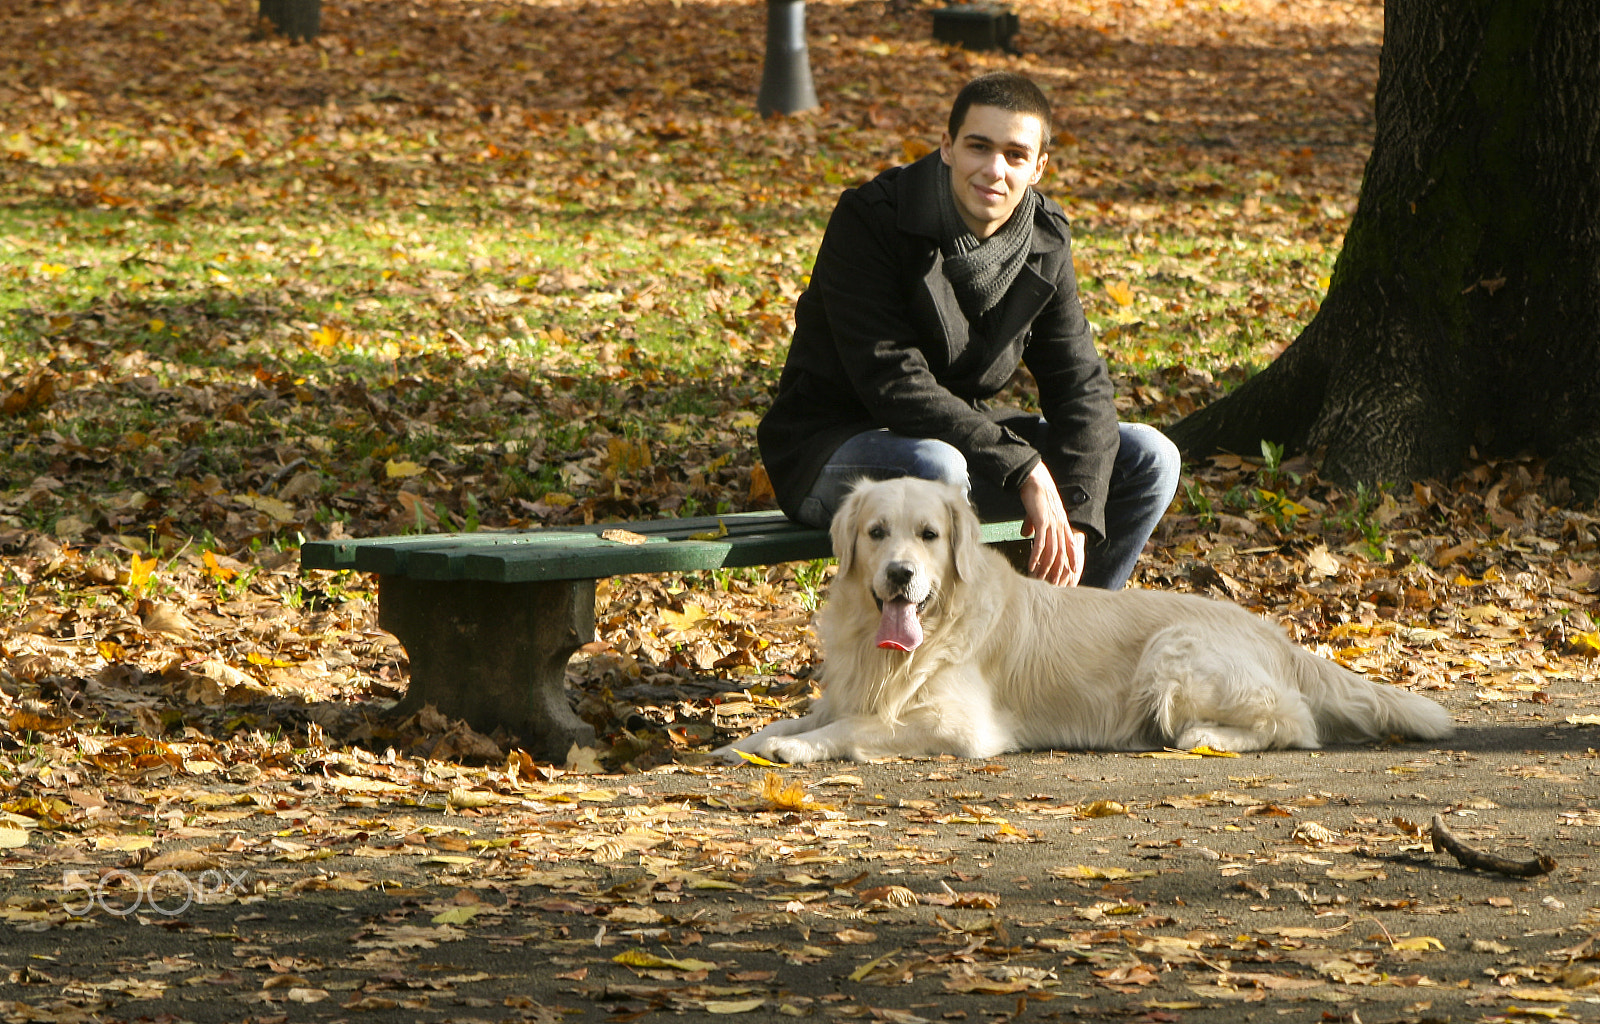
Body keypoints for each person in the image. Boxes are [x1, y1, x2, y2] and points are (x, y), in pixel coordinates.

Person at [757, 71, 1180, 590]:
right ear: (947, 146)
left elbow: (1081, 385)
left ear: (1039, 167)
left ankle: (1062, 650)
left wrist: (1078, 511)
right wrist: (1022, 467)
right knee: (938, 467)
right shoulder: (871, 220)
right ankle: (932, 662)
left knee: (1149, 458)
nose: (994, 170)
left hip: (962, 447)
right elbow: (893, 381)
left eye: (1015, 155)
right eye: (978, 146)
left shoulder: (1044, 241)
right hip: (833, 447)